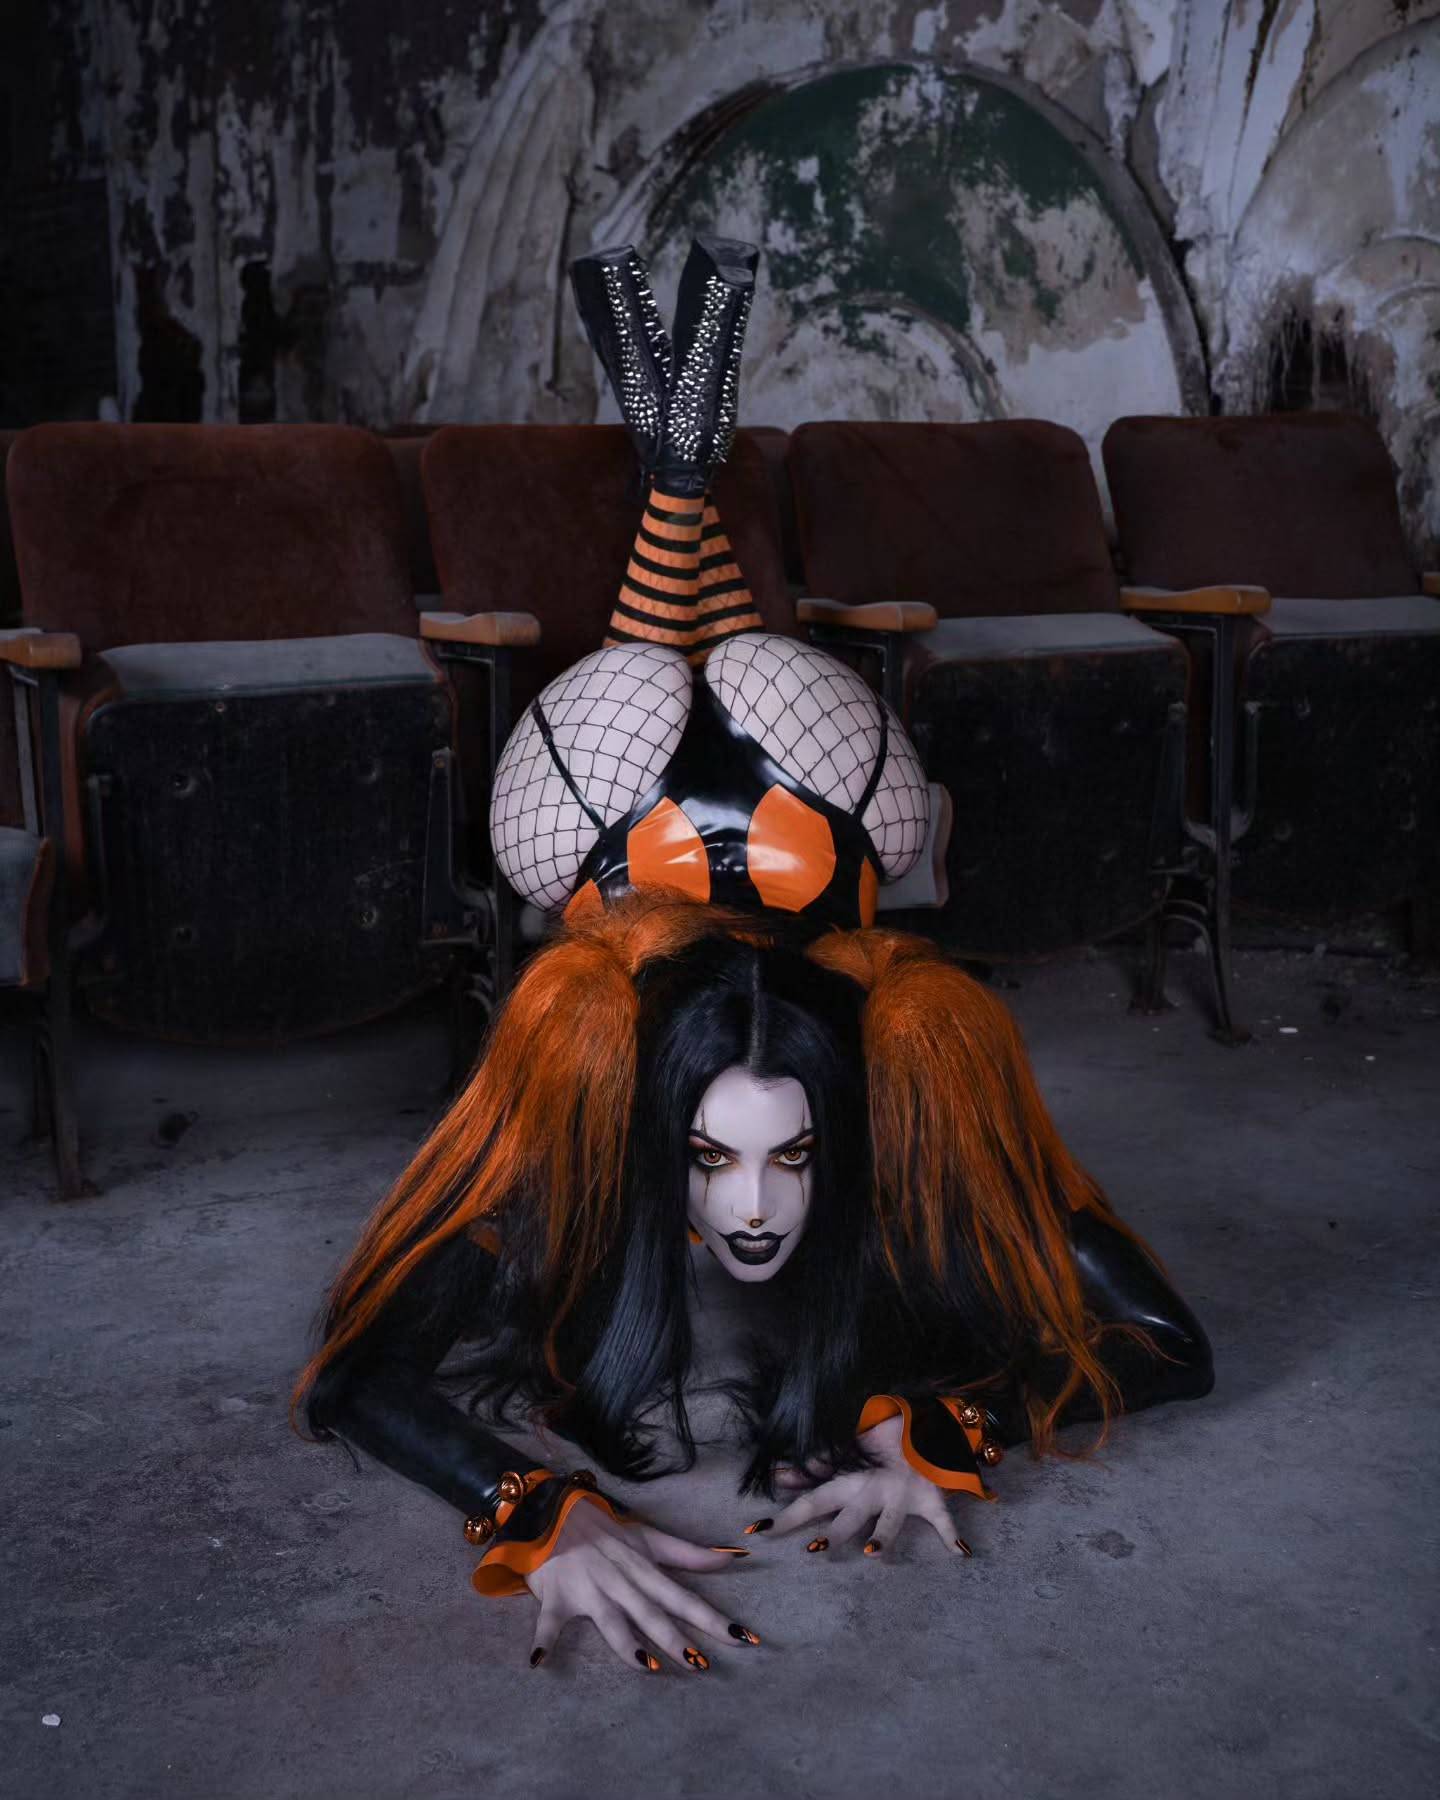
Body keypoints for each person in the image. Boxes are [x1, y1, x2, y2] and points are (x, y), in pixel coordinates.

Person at [294, 238, 1213, 1676]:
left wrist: (956, 1428)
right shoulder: (588, 1067)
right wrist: (536, 1513)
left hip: (812, 825)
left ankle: (679, 468)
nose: (757, 1208)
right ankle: (680, 473)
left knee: (745, 666)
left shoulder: (908, 1061)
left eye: (795, 1158)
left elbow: (1169, 1340)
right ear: (654, 1125)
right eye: (711, 1160)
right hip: (625, 824)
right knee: (660, 668)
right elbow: (359, 1375)